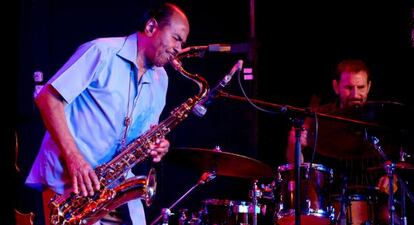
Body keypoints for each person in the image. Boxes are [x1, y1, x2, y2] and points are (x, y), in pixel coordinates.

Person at [25, 2, 190, 225]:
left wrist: (158, 144)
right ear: (151, 27)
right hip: (69, 185)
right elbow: (48, 98)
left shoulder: (162, 79)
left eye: (182, 43)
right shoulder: (102, 51)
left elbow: (146, 132)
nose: (179, 48)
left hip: (112, 188)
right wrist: (75, 159)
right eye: (176, 38)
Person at [283, 59, 395, 224]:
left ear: (369, 86)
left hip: (377, 202)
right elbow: (297, 168)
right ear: (336, 87)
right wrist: (295, 143)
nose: (355, 95)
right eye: (349, 88)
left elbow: (398, 161)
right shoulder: (318, 118)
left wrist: (392, 178)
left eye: (361, 88)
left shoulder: (382, 118)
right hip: (330, 203)